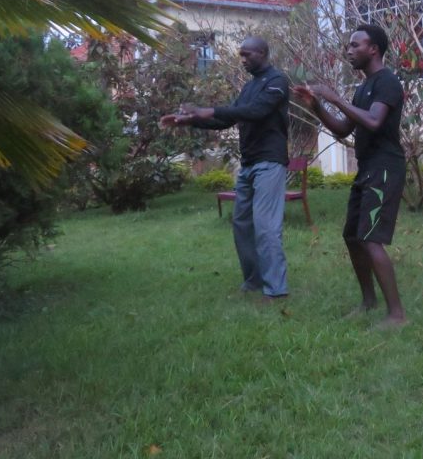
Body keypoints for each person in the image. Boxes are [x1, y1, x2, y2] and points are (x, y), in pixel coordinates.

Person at [160, 36, 291, 301]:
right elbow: (228, 119)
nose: (242, 60)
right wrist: (190, 120)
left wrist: (209, 110)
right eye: (240, 55)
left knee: (266, 227)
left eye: (247, 55)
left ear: (262, 52)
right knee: (242, 224)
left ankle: (276, 290)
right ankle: (253, 280)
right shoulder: (249, 87)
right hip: (249, 164)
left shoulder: (277, 81)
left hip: (269, 162)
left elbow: (256, 111)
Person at [293, 24, 407, 327]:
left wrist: (335, 98)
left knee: (370, 238)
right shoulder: (363, 88)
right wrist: (317, 106)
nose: (349, 50)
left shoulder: (387, 82)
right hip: (368, 167)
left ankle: (397, 315)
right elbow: (344, 129)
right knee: (352, 236)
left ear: (374, 49)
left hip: (385, 168)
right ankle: (368, 301)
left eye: (355, 45)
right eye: (348, 45)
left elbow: (374, 121)